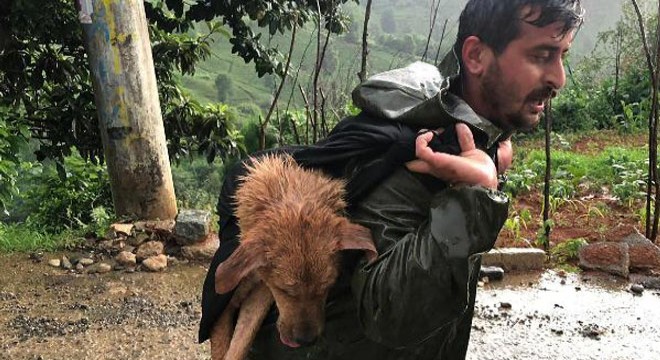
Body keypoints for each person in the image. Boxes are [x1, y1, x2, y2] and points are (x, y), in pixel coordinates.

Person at [198, 0, 584, 359]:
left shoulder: (467, 135)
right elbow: (389, 313)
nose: (559, 78)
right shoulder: (419, 156)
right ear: (475, 56)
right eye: (541, 55)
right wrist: (475, 197)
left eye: (562, 55)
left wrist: (491, 157)